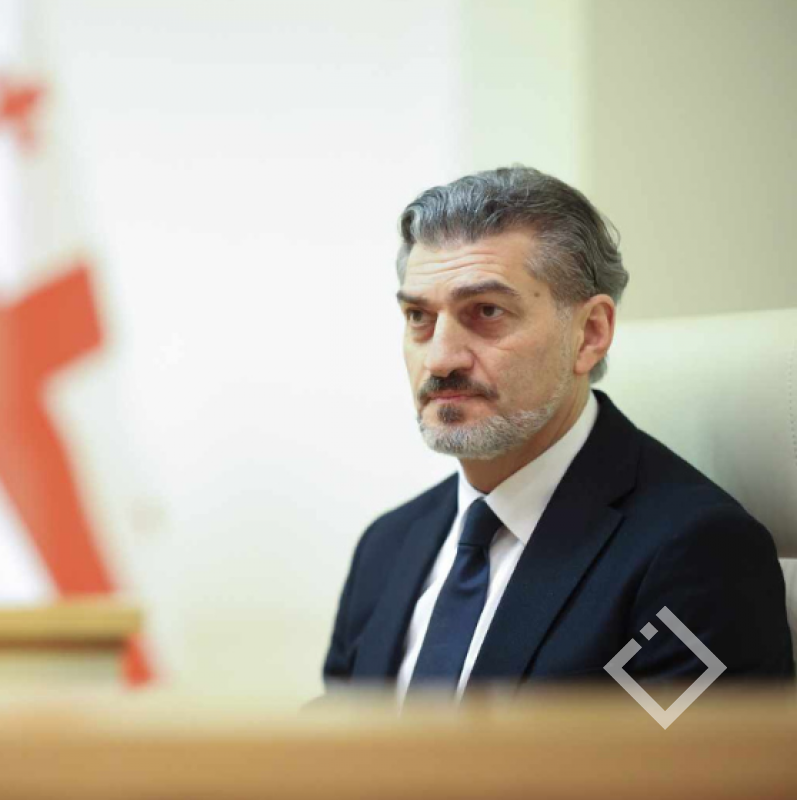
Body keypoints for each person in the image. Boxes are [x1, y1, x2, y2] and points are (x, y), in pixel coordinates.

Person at [322, 166, 793, 703]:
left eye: (487, 311)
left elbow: (670, 757)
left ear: (590, 334)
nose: (441, 358)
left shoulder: (698, 556)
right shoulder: (389, 544)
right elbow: (335, 741)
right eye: (418, 317)